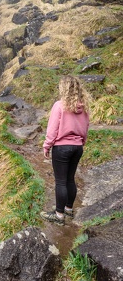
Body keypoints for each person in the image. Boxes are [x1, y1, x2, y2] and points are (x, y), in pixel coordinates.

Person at [40, 75, 90, 226]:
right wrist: (82, 142)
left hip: (62, 147)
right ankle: (68, 208)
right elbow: (86, 127)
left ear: (64, 89)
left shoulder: (60, 105)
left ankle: (59, 215)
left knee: (60, 181)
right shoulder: (84, 106)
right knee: (70, 179)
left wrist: (47, 145)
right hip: (77, 147)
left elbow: (53, 129)